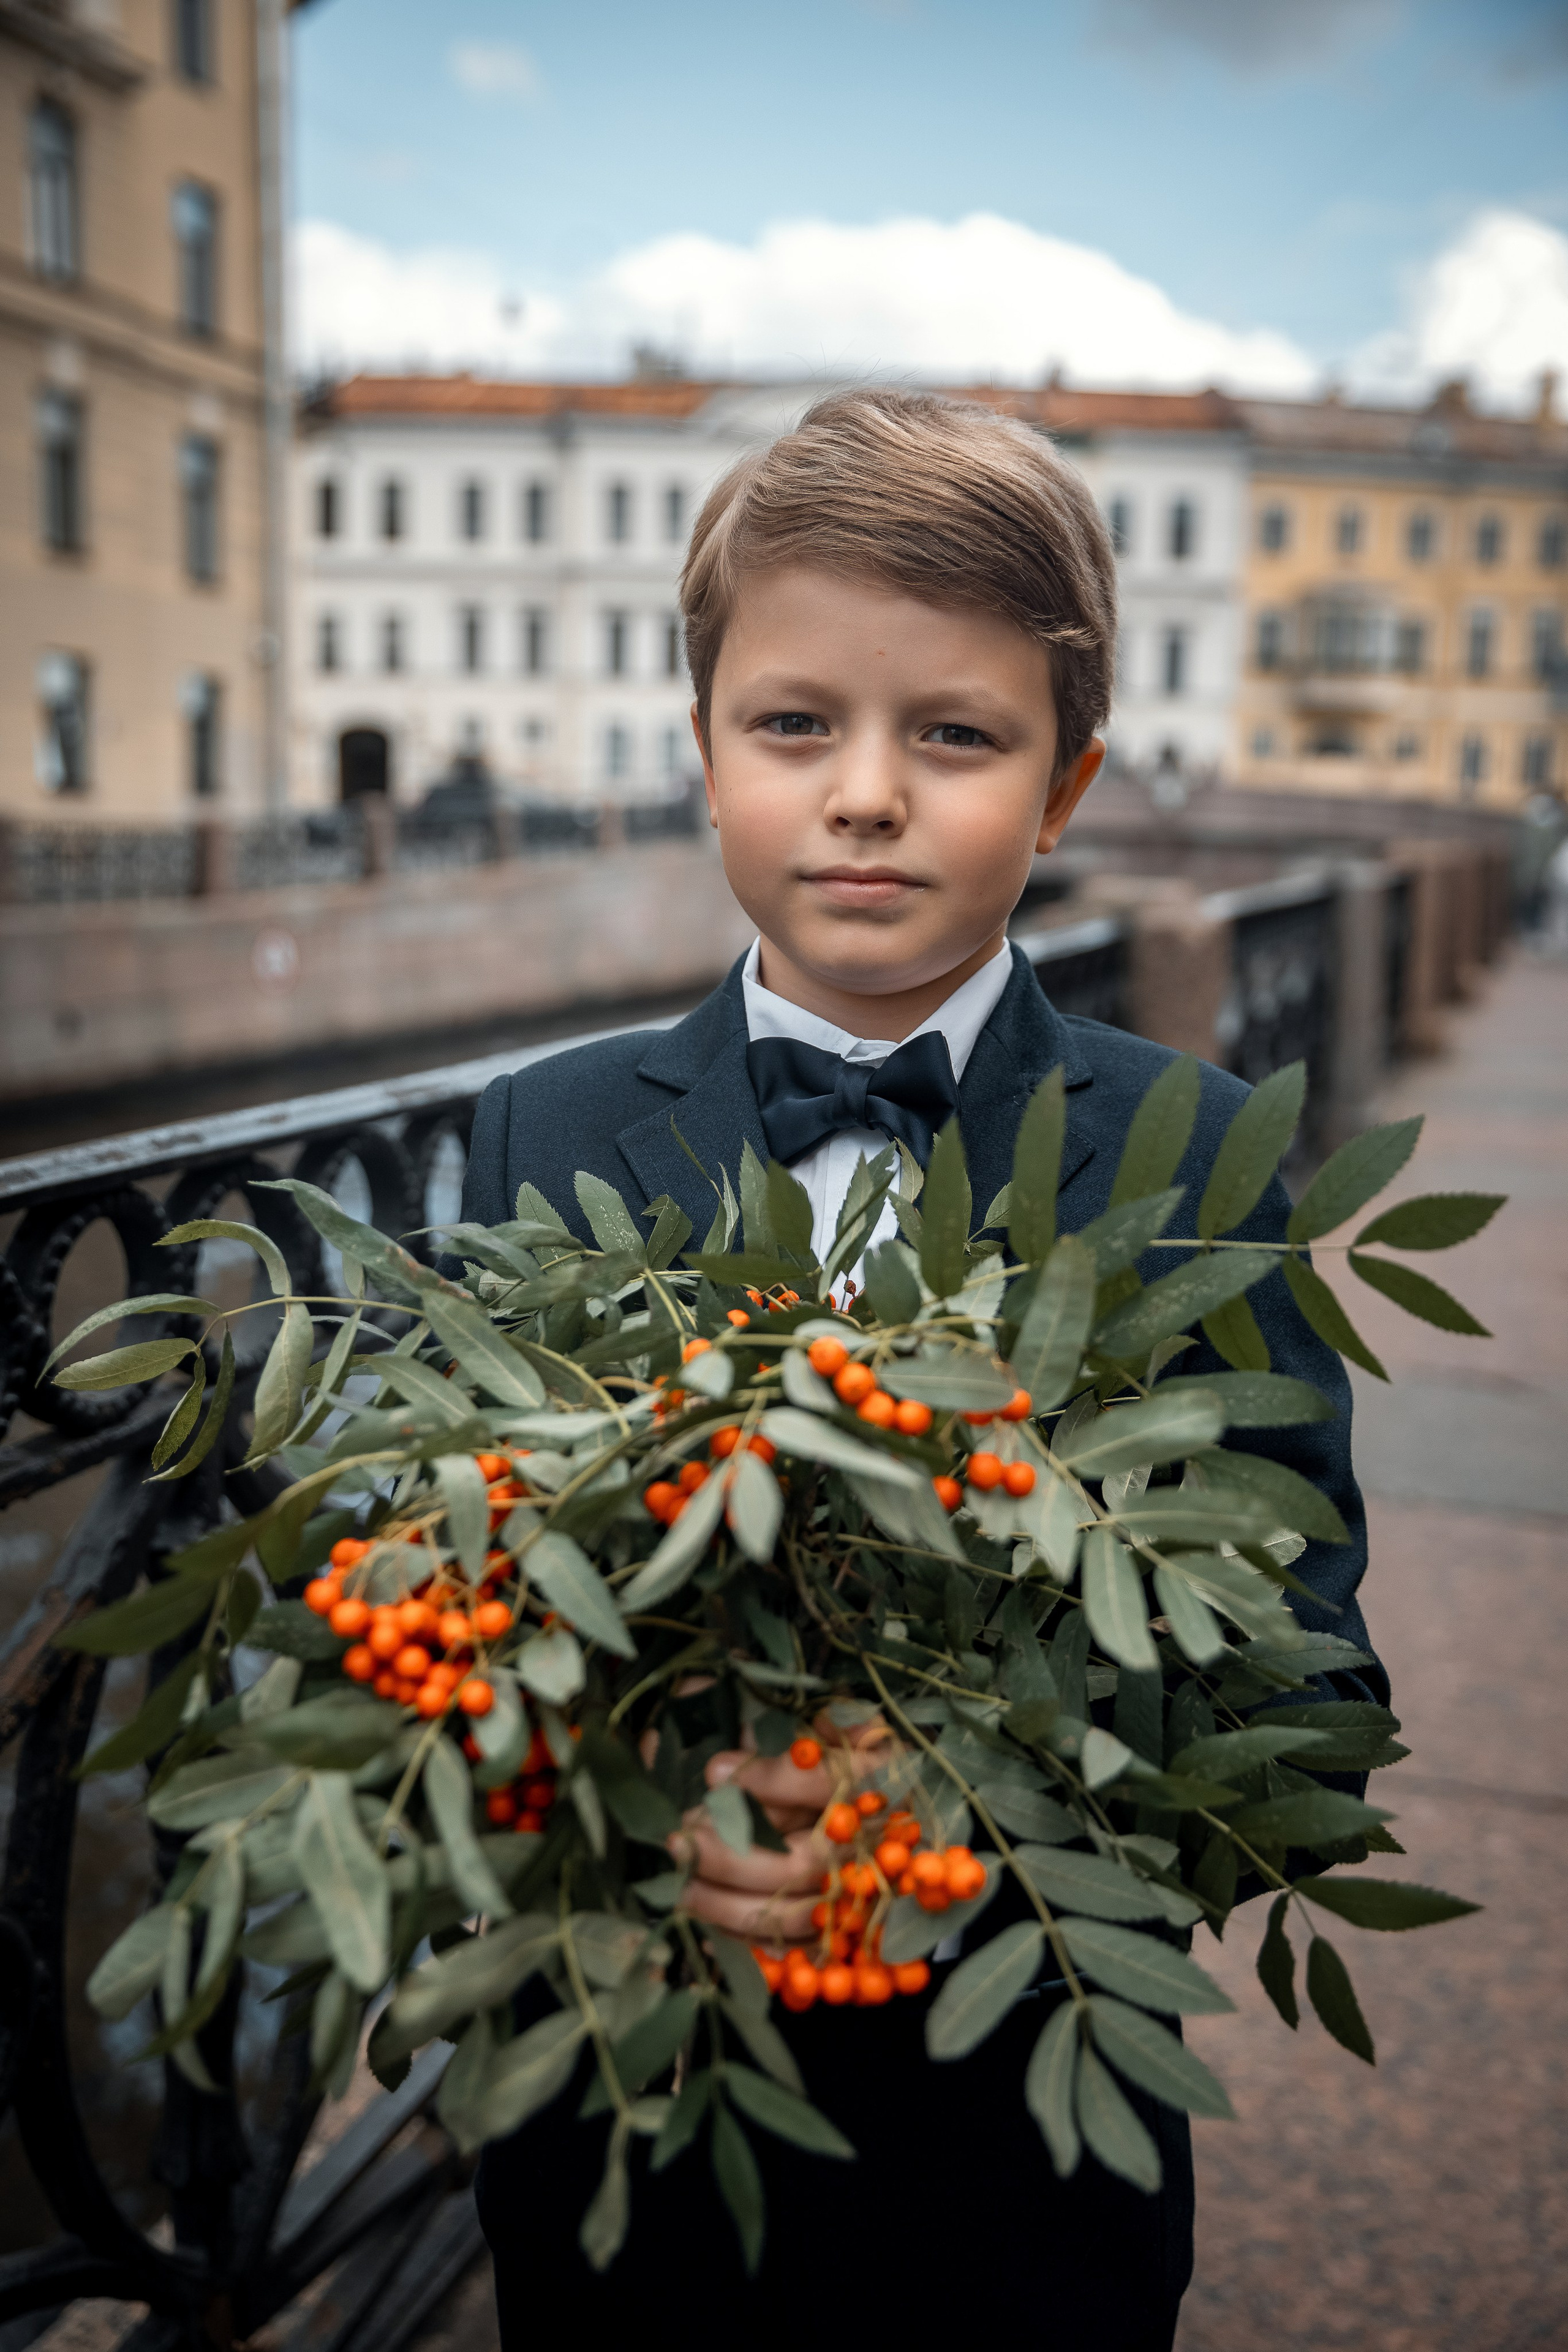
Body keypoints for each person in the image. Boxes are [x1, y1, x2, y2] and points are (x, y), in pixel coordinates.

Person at [457, 388, 1382, 2349]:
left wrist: (990, 1814)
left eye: (955, 735)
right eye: (795, 724)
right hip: (628, 2146)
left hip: (1020, 2170)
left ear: (1064, 789)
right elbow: (466, 1588)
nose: (866, 794)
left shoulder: (1198, 1159)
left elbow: (1311, 1691)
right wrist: (621, 1795)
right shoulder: (542, 1131)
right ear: (704, 753)